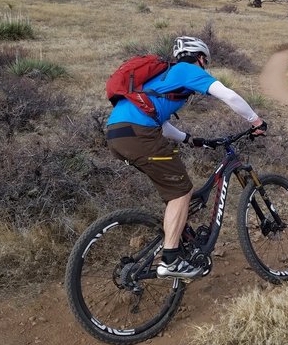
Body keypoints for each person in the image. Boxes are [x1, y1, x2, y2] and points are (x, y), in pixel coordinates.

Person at [106, 36, 266, 280]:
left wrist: (191, 140)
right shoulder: (186, 70)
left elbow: (161, 121)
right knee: (181, 191)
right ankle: (170, 260)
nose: (205, 68)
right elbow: (228, 95)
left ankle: (176, 241)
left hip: (118, 134)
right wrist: (256, 121)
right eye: (205, 63)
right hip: (138, 132)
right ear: (200, 59)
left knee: (173, 191)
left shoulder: (164, 76)